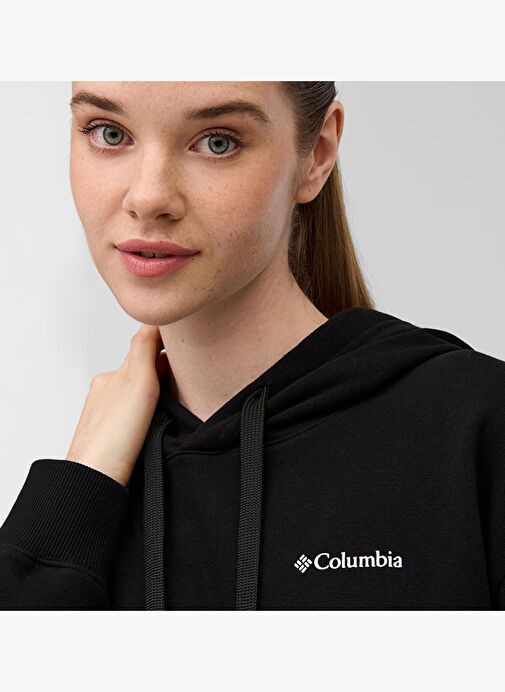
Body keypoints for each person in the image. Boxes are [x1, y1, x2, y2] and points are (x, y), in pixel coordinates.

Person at [0, 81, 504, 611]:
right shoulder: (87, 494)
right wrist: (78, 484)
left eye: (217, 142)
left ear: (317, 154)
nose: (148, 197)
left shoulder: (474, 428)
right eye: (109, 133)